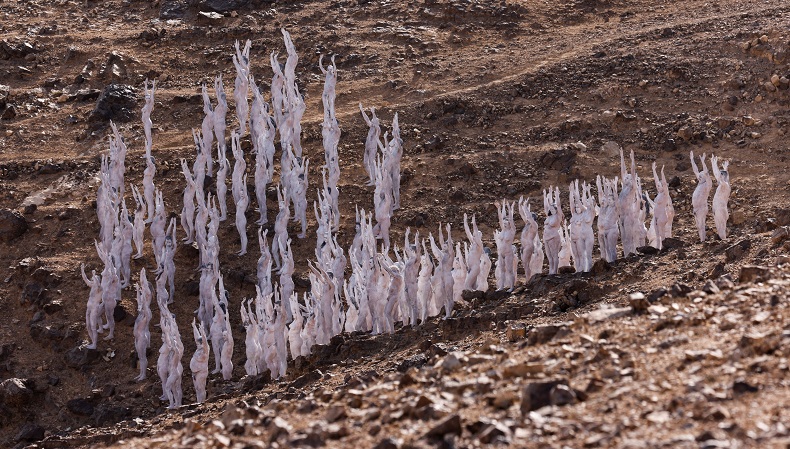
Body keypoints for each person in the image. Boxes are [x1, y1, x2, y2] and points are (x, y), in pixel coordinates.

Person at [133, 268, 152, 381]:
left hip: (141, 338)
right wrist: (137, 291)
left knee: (143, 357)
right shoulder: (141, 313)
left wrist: (143, 276)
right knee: (140, 357)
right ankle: (141, 373)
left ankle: (144, 374)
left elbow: (143, 303)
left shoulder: (146, 314)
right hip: (137, 337)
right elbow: (139, 302)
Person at [690, 151, 712, 241]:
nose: (699, 177)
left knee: (701, 225)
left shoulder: (707, 184)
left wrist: (703, 161)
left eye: (701, 176)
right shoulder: (700, 183)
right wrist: (692, 160)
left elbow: (706, 172)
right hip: (696, 208)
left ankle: (703, 240)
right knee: (698, 226)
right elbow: (695, 170)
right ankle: (702, 239)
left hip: (701, 208)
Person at [81, 264, 103, 350]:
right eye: (93, 279)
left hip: (95, 308)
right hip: (89, 308)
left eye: (94, 279)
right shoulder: (92, 286)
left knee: (93, 326)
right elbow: (85, 279)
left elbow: (98, 285)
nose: (92, 280)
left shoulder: (100, 288)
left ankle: (95, 344)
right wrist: (82, 270)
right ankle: (92, 341)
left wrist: (94, 274)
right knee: (88, 325)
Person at [543, 187, 563, 275]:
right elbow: (546, 207)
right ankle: (551, 270)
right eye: (550, 209)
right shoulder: (549, 216)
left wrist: (556, 195)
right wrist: (545, 196)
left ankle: (554, 271)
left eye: (553, 208)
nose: (551, 209)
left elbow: (558, 205)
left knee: (554, 255)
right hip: (546, 237)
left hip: (553, 237)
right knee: (549, 256)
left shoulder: (558, 216)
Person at [711, 155, 731, 240]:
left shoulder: (724, 184)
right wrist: (725, 168)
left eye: (721, 175)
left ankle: (724, 242)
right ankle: (724, 241)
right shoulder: (727, 184)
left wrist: (714, 164)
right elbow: (725, 177)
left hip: (720, 209)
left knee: (721, 227)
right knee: (721, 227)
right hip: (720, 208)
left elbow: (718, 176)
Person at [190, 319, 210, 403]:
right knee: (197, 389)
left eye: (199, 343)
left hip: (201, 372)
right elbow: (196, 338)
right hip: (195, 373)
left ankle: (202, 403)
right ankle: (199, 403)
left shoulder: (205, 350)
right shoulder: (198, 349)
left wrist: (203, 333)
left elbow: (205, 342)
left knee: (201, 388)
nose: (197, 344)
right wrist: (194, 327)